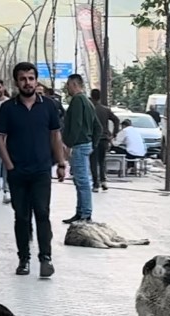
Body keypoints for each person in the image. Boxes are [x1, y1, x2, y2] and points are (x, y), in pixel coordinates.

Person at [0, 61, 67, 278]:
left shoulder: (48, 106)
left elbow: (55, 135)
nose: (27, 82)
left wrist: (61, 163)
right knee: (22, 217)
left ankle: (45, 257)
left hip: (41, 170)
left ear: (36, 81)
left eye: (31, 78)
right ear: (16, 82)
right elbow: (0, 138)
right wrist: (9, 165)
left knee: (42, 214)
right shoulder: (8, 108)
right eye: (23, 79)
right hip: (17, 171)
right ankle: (23, 259)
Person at [60, 74, 99, 223]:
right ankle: (81, 211)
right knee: (79, 180)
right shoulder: (88, 102)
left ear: (74, 84)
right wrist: (92, 144)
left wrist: (68, 144)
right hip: (85, 144)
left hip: (78, 145)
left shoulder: (77, 101)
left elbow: (75, 125)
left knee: (82, 181)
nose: (67, 88)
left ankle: (85, 214)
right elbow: (98, 127)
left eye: (68, 85)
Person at [89, 88, 117, 193]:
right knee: (102, 161)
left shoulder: (89, 109)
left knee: (93, 161)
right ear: (100, 97)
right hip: (105, 139)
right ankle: (103, 181)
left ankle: (96, 184)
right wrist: (114, 134)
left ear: (91, 96)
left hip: (93, 139)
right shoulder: (105, 110)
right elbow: (116, 120)